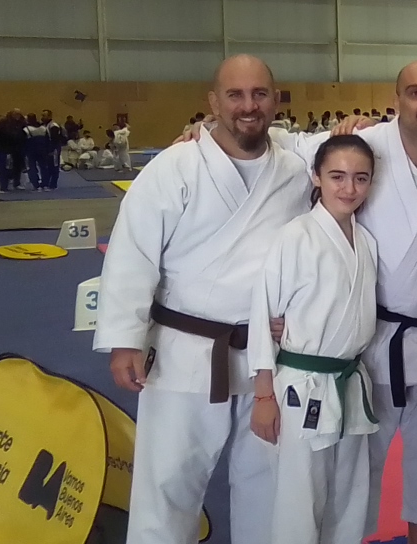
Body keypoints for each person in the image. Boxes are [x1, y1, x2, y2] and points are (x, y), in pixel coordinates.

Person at [272, 60, 417, 544]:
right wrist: (205, 132)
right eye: (415, 93)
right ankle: (352, 534)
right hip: (371, 338)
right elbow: (287, 153)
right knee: (362, 454)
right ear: (397, 99)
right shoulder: (366, 146)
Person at [93, 55, 311, 544]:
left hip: (267, 358)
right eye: (235, 95)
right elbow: (133, 252)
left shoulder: (296, 169)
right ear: (213, 102)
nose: (248, 106)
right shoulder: (175, 166)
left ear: (275, 101)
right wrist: (125, 339)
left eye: (259, 94)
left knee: (269, 486)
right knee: (168, 484)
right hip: (184, 351)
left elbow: (356, 160)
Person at [249, 135, 380, 544]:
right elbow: (262, 316)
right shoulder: (295, 236)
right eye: (337, 176)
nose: (349, 188)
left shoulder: (366, 241)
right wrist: (263, 396)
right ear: (316, 177)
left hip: (349, 381)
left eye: (361, 178)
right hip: (301, 387)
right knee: (300, 499)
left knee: (350, 497)